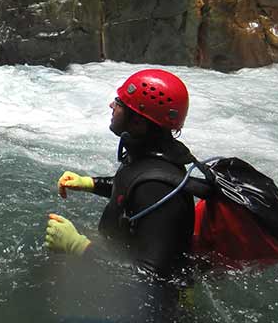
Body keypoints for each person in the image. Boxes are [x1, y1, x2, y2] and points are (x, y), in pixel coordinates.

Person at [45, 69, 197, 320]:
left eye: (120, 104)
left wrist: (77, 245)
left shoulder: (158, 188)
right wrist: (90, 183)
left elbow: (150, 279)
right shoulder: (149, 158)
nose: (111, 105)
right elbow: (131, 189)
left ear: (138, 121)